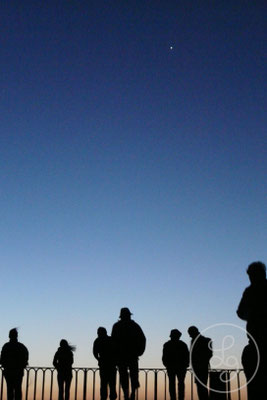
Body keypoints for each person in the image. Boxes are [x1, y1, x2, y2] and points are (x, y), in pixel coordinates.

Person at [237, 261, 267, 398]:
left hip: (256, 342)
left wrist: (253, 315)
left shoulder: (250, 291)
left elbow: (240, 312)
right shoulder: (250, 291)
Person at [111, 308, 146, 400]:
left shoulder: (118, 326)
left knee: (128, 375)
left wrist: (139, 352)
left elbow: (113, 342)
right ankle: (129, 394)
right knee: (130, 375)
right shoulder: (134, 326)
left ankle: (129, 394)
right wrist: (139, 351)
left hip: (126, 356)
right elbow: (143, 339)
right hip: (128, 356)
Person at [0, 328, 29, 400]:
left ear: (9, 336)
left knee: (9, 390)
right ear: (16, 336)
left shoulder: (6, 346)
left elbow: (2, 359)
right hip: (18, 372)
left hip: (8, 372)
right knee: (18, 389)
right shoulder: (21, 347)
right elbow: (26, 358)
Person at [162, 329, 189, 400]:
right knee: (180, 384)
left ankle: (173, 398)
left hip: (172, 367)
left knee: (172, 384)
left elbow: (164, 357)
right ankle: (180, 398)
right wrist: (185, 365)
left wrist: (167, 365)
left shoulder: (167, 345)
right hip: (180, 368)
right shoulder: (183, 344)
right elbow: (187, 356)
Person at [188, 326, 212, 400]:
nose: (189, 335)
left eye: (190, 333)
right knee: (201, 385)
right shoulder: (205, 340)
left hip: (200, 366)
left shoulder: (203, 340)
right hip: (200, 366)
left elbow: (208, 354)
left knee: (201, 385)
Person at [93, 327, 117, 400]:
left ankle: (104, 398)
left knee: (104, 384)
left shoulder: (97, 340)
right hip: (111, 365)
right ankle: (111, 397)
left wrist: (99, 359)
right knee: (112, 385)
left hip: (104, 365)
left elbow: (94, 352)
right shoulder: (111, 339)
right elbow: (117, 351)